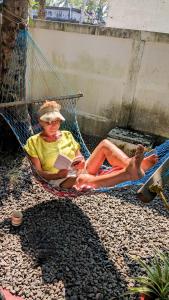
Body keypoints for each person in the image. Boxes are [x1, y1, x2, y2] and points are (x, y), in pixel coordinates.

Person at [24, 101, 158, 190]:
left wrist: (80, 162)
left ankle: (133, 165)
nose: (54, 125)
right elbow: (38, 172)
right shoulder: (34, 142)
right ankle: (128, 174)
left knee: (105, 144)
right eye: (49, 122)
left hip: (77, 171)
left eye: (57, 121)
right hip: (59, 179)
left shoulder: (67, 135)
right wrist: (58, 175)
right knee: (82, 179)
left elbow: (79, 157)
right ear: (40, 122)